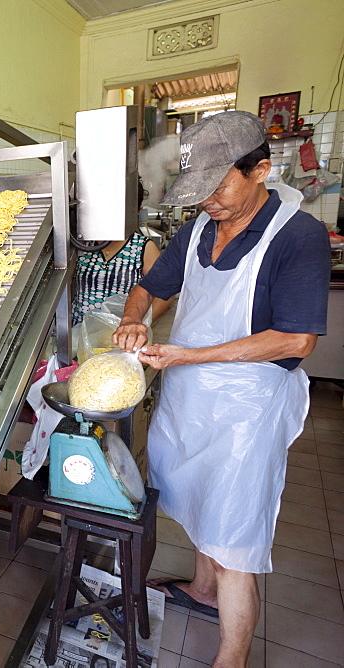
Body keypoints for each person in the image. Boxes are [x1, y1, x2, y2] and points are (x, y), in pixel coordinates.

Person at [113, 111, 330, 668]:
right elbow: (151, 286)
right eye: (196, 190)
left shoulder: (297, 236)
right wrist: (136, 317)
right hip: (190, 397)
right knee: (193, 497)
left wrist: (189, 355)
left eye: (218, 185)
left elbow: (297, 340)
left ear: (261, 169)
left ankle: (230, 658)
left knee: (234, 531)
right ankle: (201, 590)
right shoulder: (199, 229)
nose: (206, 199)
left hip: (247, 407)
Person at [71, 182, 171, 328]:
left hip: (119, 338)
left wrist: (136, 325)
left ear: (136, 211)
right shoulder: (82, 244)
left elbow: (164, 295)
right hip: (79, 333)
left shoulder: (142, 248)